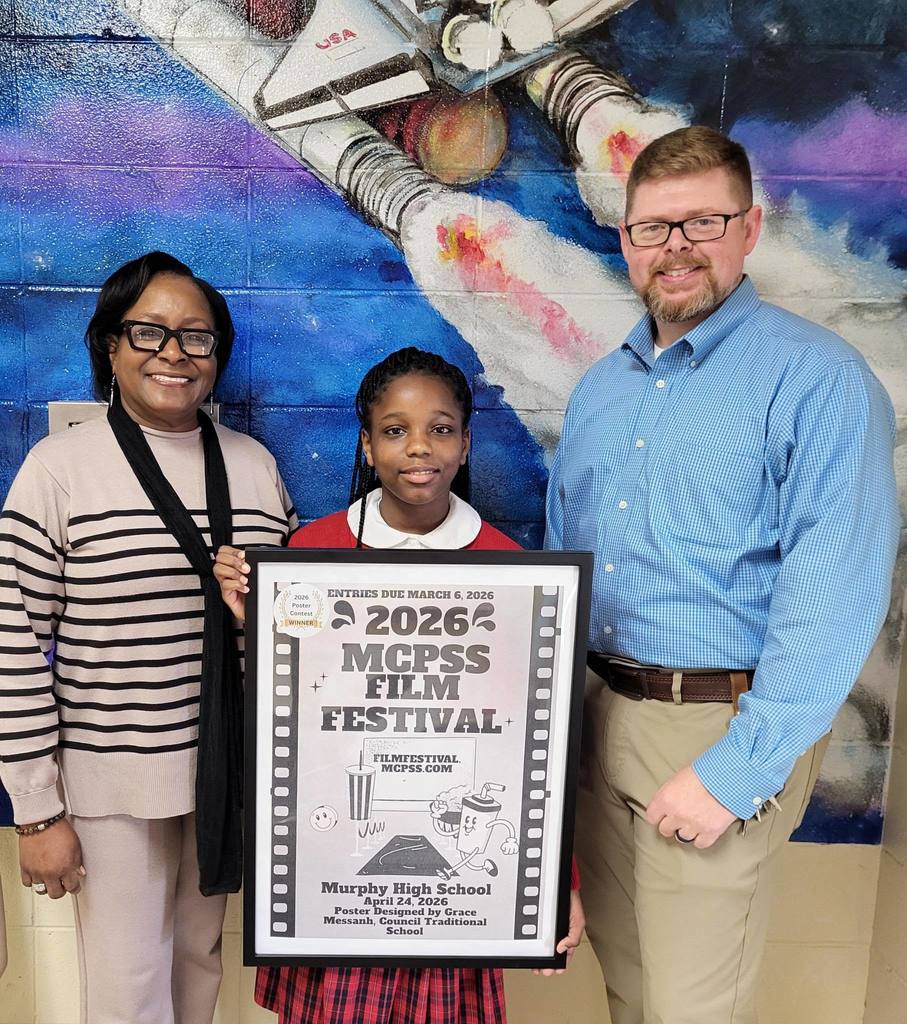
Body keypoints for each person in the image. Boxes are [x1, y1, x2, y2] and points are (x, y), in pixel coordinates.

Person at [545, 126, 899, 1024]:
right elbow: (560, 573)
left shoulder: (817, 381)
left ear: (749, 229)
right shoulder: (599, 390)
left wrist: (737, 770)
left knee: (689, 1011)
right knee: (626, 989)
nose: (676, 248)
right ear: (623, 240)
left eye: (702, 222)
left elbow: (835, 592)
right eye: (653, 228)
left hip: (710, 729)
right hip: (596, 720)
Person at [214, 346, 585, 1024]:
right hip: (339, 875)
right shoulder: (313, 554)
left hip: (453, 899)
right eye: (395, 430)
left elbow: (539, 742)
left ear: (466, 443)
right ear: (366, 442)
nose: (419, 448)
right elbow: (292, 721)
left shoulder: (510, 571)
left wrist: (557, 883)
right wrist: (256, 626)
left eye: (441, 429)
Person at [0, 251, 297, 1024]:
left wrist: (261, 612)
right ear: (109, 345)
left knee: (200, 967)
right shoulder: (59, 468)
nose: (173, 354)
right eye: (149, 333)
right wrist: (36, 810)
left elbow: (302, 637)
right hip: (112, 784)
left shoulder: (255, 466)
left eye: (196, 337)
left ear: (217, 356)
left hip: (225, 776)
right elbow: (10, 641)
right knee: (129, 986)